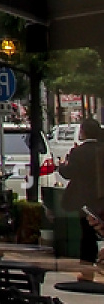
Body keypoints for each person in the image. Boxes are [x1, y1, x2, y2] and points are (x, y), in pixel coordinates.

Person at [61, 117, 104, 280]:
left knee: (87, 235)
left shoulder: (78, 152)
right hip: (102, 198)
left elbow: (68, 172)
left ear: (84, 132)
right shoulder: (102, 149)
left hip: (84, 200)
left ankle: (87, 272)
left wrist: (62, 166)